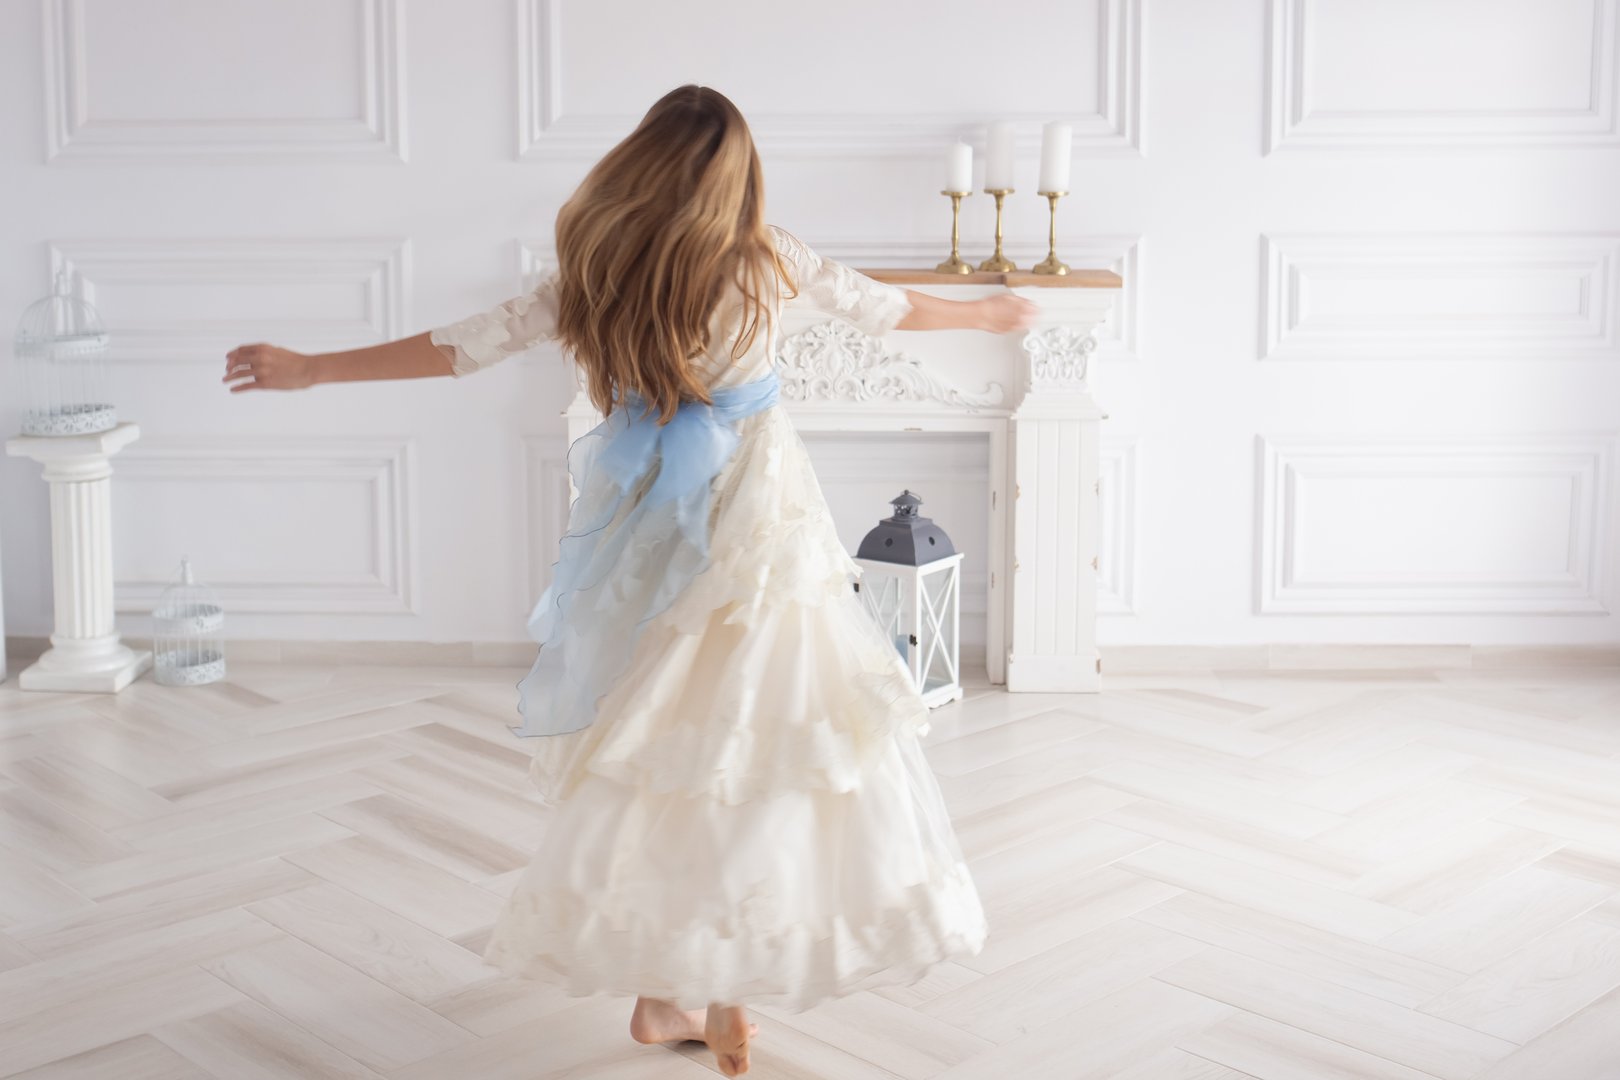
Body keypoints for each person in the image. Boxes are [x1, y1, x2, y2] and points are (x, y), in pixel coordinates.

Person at [224, 84, 1036, 1078]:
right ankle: (711, 991)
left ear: (640, 163)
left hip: (647, 523)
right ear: (735, 180)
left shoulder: (595, 273)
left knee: (667, 741)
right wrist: (992, 309)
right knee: (757, 736)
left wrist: (314, 368)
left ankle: (666, 992)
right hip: (757, 524)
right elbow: (890, 308)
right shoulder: (766, 259)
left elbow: (457, 349)